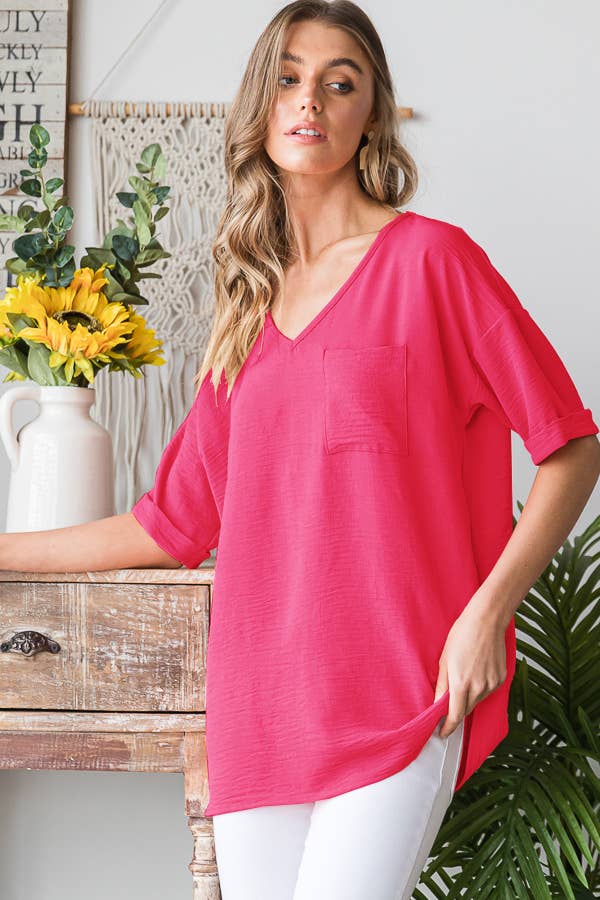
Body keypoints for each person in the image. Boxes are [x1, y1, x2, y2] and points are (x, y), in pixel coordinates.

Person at [2, 1, 599, 898]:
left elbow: (571, 447)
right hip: (260, 711)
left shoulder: (433, 263)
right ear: (262, 104)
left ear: (372, 115)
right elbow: (169, 527)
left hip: (399, 692)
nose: (309, 99)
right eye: (287, 78)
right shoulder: (246, 307)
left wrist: (486, 615)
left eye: (339, 82)